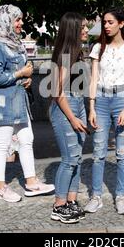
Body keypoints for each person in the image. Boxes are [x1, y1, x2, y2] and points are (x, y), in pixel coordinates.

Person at [0, 4, 54, 203]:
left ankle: (31, 183)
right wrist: (20, 74)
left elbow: (16, 73)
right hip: (4, 103)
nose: (21, 23)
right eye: (17, 19)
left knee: (27, 139)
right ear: (5, 22)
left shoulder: (15, 43)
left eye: (20, 19)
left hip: (19, 101)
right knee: (2, 145)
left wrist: (26, 80)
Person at [86, 7, 124, 215]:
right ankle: (96, 196)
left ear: (121, 23)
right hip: (100, 100)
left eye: (110, 22)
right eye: (104, 23)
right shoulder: (97, 48)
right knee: (98, 152)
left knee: (121, 153)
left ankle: (120, 196)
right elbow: (93, 79)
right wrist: (91, 107)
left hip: (122, 100)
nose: (106, 26)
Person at [49, 12, 89, 224]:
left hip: (77, 105)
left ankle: (71, 200)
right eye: (82, 27)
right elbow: (57, 93)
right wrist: (73, 118)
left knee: (77, 158)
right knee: (69, 159)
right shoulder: (65, 53)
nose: (86, 30)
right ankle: (59, 205)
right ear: (73, 30)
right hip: (65, 110)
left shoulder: (77, 53)